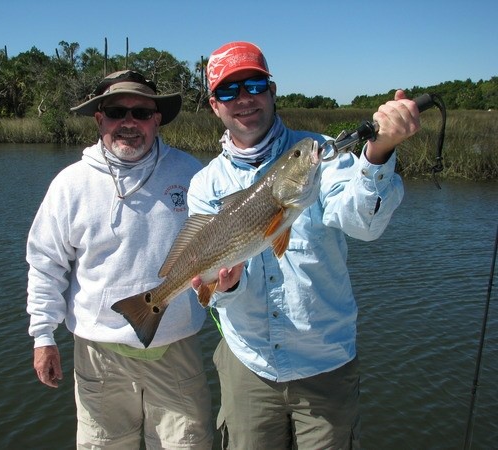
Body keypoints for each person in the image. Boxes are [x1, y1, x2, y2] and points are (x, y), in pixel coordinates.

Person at [188, 41, 422, 449]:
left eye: (254, 85)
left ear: (272, 90)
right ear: (214, 105)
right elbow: (215, 296)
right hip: (249, 364)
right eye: (228, 91)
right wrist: (225, 288)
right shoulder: (205, 185)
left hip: (325, 364)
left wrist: (380, 151)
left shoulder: (318, 152)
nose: (243, 99)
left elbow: (363, 223)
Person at [26, 70, 213, 449]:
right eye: (116, 111)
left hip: (176, 349)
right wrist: (43, 335)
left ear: (157, 119)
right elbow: (46, 263)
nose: (129, 122)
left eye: (142, 113)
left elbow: (218, 242)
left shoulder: (192, 172)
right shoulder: (70, 184)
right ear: (99, 118)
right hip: (99, 355)